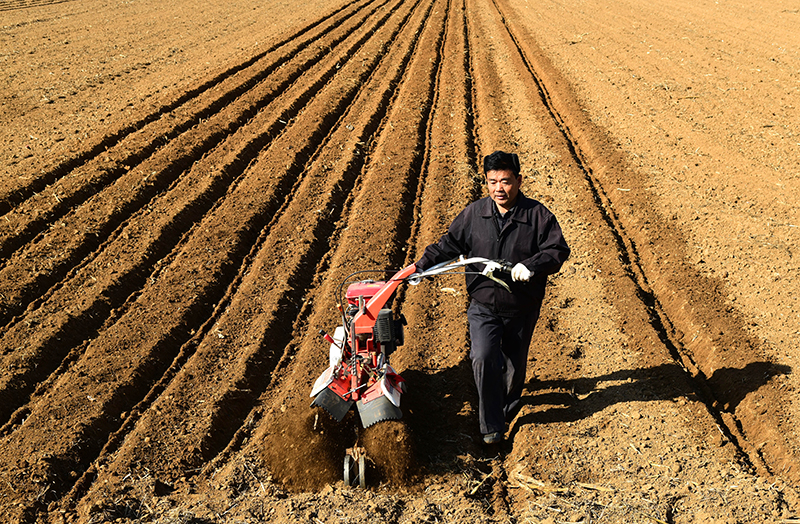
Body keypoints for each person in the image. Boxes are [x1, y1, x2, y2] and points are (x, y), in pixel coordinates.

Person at [415, 150, 570, 444]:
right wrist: (421, 266)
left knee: (513, 369)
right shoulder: (474, 214)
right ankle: (491, 429)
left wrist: (531, 266)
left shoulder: (537, 216)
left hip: (522, 305)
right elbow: (449, 244)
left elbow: (557, 251)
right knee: (483, 357)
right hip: (483, 304)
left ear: (519, 181)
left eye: (506, 181)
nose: (499, 188)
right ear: (486, 182)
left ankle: (507, 411)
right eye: (493, 181)